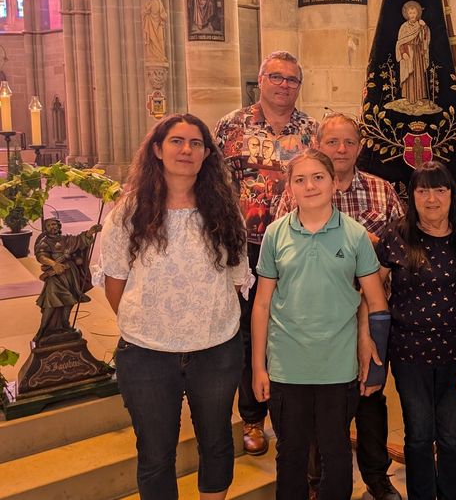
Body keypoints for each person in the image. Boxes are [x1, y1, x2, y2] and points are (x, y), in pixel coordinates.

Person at [100, 113, 249, 500]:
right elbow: (115, 283)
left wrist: (203, 318)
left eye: (196, 143)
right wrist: (151, 323)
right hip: (146, 353)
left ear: (206, 154)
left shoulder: (225, 210)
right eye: (177, 142)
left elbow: (236, 278)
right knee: (154, 452)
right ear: (157, 150)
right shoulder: (129, 212)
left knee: (216, 440)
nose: (186, 150)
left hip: (215, 348)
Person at [278, 112, 406, 500]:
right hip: (318, 316)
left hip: (371, 308)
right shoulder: (298, 189)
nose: (341, 149)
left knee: (370, 395)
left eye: (349, 142)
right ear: (319, 145)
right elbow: (286, 249)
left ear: (360, 146)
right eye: (333, 142)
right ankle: (319, 482)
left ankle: (375, 477)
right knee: (319, 402)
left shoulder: (383, 191)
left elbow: (402, 249)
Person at [250, 149, 389, 499]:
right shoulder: (275, 234)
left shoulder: (355, 235)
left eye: (318, 177)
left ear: (333, 183)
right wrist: (257, 367)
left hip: (337, 367)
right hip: (286, 367)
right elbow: (262, 304)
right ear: (289, 189)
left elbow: (375, 302)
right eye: (300, 179)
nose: (309, 186)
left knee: (336, 452)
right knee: (291, 453)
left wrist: (374, 365)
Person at [215, 50, 321, 457]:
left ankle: (292, 414)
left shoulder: (311, 129)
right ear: (260, 80)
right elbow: (216, 187)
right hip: (246, 247)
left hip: (298, 245)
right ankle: (254, 417)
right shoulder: (231, 126)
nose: (283, 85)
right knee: (248, 334)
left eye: (292, 79)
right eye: (276, 77)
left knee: (291, 327)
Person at [374, 162, 456, 500]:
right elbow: (372, 290)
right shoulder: (395, 236)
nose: (431, 198)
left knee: (453, 435)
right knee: (418, 434)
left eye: (440, 189)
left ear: (452, 195)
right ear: (411, 196)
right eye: (422, 190)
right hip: (409, 354)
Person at [33, 218, 100, 344]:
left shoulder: (66, 239)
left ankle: (65, 324)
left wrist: (90, 232)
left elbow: (79, 240)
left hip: (70, 273)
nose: (52, 227)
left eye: (54, 224)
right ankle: (42, 330)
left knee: (70, 299)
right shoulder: (45, 241)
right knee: (51, 302)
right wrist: (53, 264)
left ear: (59, 226)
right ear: (45, 228)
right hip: (55, 275)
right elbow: (41, 256)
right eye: (49, 225)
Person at [396, 0, 431, 105]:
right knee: (409, 75)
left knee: (418, 75)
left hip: (417, 53)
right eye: (410, 13)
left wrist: (424, 27)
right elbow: (400, 42)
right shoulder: (404, 27)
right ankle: (409, 98)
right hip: (408, 52)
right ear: (407, 14)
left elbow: (425, 39)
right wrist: (403, 53)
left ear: (418, 13)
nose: (412, 15)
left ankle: (418, 98)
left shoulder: (420, 25)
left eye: (414, 13)